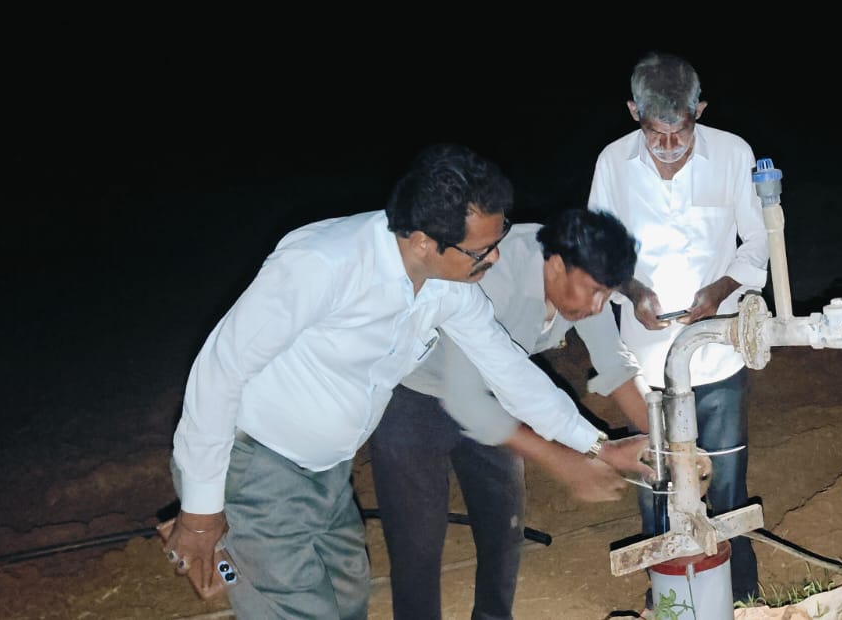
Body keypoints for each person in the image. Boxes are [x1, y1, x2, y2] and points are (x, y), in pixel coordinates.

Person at [163, 144, 651, 618]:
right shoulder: (322, 265)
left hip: (328, 472)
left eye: (497, 241)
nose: (496, 259)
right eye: (481, 250)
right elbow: (219, 371)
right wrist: (202, 512)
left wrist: (597, 445)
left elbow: (510, 370)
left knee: (348, 599)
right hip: (257, 463)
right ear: (422, 241)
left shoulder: (445, 286)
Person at [370, 207, 654, 620]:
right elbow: (466, 401)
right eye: (594, 291)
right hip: (415, 393)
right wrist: (567, 461)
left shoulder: (583, 280)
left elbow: (616, 367)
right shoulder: (495, 277)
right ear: (555, 266)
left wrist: (670, 445)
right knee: (417, 543)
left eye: (606, 295)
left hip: (496, 393)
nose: (598, 306)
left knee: (504, 529)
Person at [587, 51, 769, 607]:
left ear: (700, 111)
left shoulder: (733, 154)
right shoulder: (613, 163)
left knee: (727, 479)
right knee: (657, 480)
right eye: (654, 133)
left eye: (680, 132)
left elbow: (757, 242)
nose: (667, 145)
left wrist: (719, 291)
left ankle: (741, 595)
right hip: (646, 357)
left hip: (717, 350)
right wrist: (632, 290)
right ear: (633, 113)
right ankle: (669, 598)